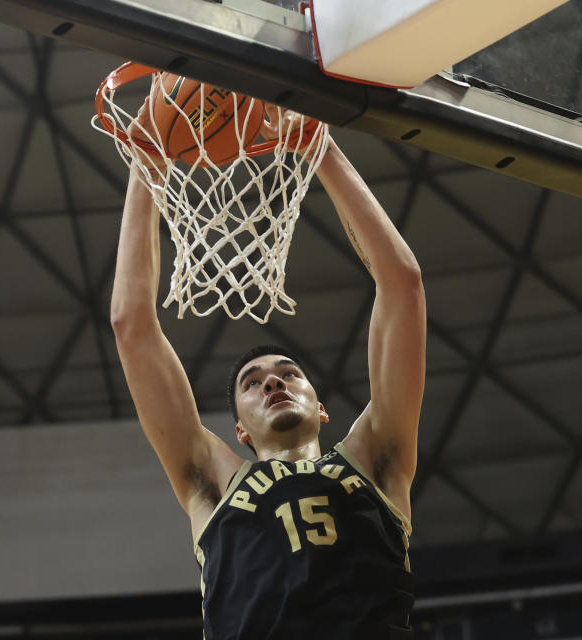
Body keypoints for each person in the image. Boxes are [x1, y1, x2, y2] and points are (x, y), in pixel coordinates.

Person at [110, 96, 427, 639]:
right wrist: (145, 160)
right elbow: (130, 324)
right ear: (239, 430)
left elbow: (402, 283)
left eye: (288, 374)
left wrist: (317, 146)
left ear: (322, 408)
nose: (273, 382)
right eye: (252, 385)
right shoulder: (213, 484)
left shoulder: (376, 458)